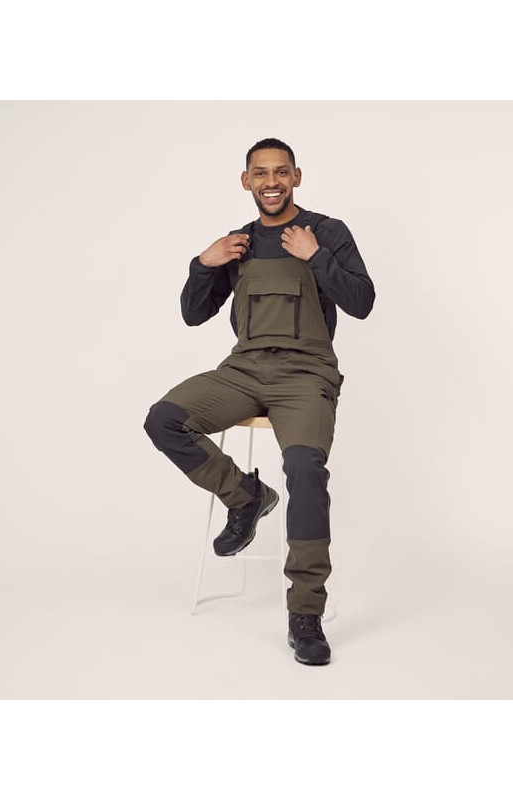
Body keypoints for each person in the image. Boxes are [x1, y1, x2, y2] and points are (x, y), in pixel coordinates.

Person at [143, 137, 375, 665]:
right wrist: (203, 263)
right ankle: (245, 497)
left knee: (305, 469)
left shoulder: (327, 232)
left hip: (306, 373)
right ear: (246, 180)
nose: (272, 182)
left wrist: (317, 257)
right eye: (261, 173)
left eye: (281, 172)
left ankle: (305, 615)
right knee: (164, 419)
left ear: (296, 176)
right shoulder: (238, 243)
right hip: (244, 369)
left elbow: (362, 302)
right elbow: (193, 315)